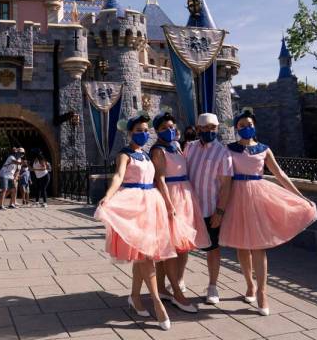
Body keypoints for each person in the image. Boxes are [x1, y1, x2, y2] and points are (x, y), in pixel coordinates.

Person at [220, 110, 317, 316]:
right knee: (242, 245)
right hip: (237, 198)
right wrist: (220, 206)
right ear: (236, 128)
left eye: (249, 124)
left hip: (258, 197)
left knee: (258, 246)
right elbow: (225, 180)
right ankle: (249, 285)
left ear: (254, 126)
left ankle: (263, 292)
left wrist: (300, 196)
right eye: (241, 125)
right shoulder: (229, 150)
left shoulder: (264, 150)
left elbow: (279, 174)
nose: (246, 127)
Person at [95, 114, 174, 331]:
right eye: (138, 130)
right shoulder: (125, 154)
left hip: (151, 205)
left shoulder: (147, 155)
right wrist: (109, 195)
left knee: (143, 256)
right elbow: (119, 176)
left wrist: (168, 204)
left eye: (146, 130)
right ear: (130, 133)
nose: (143, 133)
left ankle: (135, 297)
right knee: (146, 256)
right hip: (134, 206)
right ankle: (157, 303)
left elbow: (158, 179)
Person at [150, 112, 209, 313]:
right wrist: (169, 205)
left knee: (183, 246)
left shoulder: (175, 146)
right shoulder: (158, 150)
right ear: (157, 130)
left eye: (172, 126)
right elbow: (160, 180)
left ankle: (162, 287)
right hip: (172, 197)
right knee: (170, 248)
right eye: (165, 127)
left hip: (186, 196)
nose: (170, 130)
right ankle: (177, 293)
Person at [184, 113, 233, 306]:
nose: (209, 131)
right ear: (198, 129)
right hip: (188, 208)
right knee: (183, 248)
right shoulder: (189, 148)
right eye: (205, 127)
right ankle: (179, 281)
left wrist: (220, 211)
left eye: (212, 127)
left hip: (209, 208)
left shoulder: (223, 153)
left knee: (212, 249)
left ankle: (213, 286)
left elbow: (226, 185)